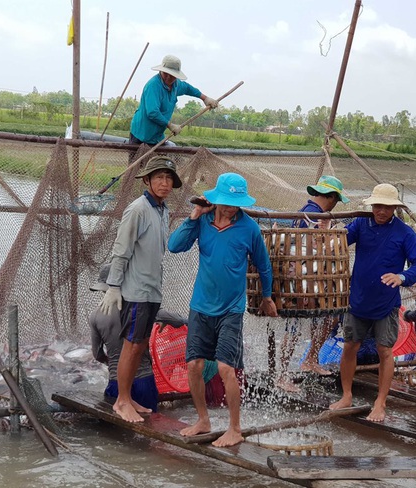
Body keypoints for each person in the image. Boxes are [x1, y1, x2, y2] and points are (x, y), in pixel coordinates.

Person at [168, 172, 277, 447]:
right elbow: (174, 246)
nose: (229, 207)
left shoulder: (249, 228)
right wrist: (194, 215)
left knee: (227, 367)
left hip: (231, 308)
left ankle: (235, 428)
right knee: (194, 364)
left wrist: (267, 296)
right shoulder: (202, 221)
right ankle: (203, 420)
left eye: (234, 203)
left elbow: (263, 265)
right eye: (225, 202)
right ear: (215, 200)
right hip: (201, 306)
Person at [329, 183, 416, 422]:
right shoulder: (362, 224)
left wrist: (402, 277)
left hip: (386, 304)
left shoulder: (404, 233)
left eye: (385, 207)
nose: (380, 211)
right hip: (358, 300)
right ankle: (346, 395)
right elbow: (339, 242)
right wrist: (330, 231)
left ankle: (380, 402)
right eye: (377, 206)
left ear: (394, 208)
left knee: (385, 350)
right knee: (350, 346)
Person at [99, 155, 182, 422]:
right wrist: (113, 285)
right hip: (134, 292)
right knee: (131, 346)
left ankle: (128, 398)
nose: (164, 183)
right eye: (158, 177)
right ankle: (122, 401)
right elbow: (121, 251)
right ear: (146, 180)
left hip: (151, 291)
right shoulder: (138, 209)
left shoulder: (162, 209)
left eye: (168, 178)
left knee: (140, 345)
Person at [277, 175, 349, 392]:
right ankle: (282, 375)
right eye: (336, 199)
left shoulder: (305, 212)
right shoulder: (313, 215)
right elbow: (320, 246)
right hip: (302, 278)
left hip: (310, 277)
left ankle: (310, 359)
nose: (336, 203)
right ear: (331, 197)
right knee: (295, 326)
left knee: (329, 316)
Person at [89, 263, 188, 412]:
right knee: (148, 427)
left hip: (116, 382)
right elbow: (180, 321)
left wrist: (114, 364)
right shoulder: (140, 308)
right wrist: (164, 322)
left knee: (119, 428)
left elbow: (97, 355)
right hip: (143, 381)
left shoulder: (95, 316)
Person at [129, 54, 218, 146]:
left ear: (176, 76)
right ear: (161, 71)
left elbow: (188, 88)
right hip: (141, 134)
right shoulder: (153, 86)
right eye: (165, 74)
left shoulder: (176, 85)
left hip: (157, 136)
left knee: (158, 160)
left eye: (171, 75)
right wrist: (170, 125)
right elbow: (152, 112)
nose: (168, 77)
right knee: (138, 160)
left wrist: (205, 98)